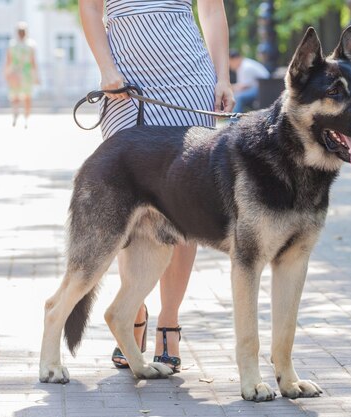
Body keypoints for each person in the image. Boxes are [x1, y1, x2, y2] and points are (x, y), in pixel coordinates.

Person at [79, 0, 234, 372]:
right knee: (126, 212)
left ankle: (169, 320)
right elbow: (89, 8)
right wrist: (106, 69)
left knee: (183, 211)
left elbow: (212, 10)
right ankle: (133, 308)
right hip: (126, 87)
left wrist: (222, 76)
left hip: (189, 82)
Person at [4, 22, 39, 128]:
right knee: (22, 97)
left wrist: (6, 73)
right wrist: (36, 76)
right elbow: (33, 62)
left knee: (21, 97)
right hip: (22, 73)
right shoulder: (26, 45)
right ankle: (22, 116)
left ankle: (21, 115)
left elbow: (8, 61)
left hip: (19, 73)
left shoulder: (17, 45)